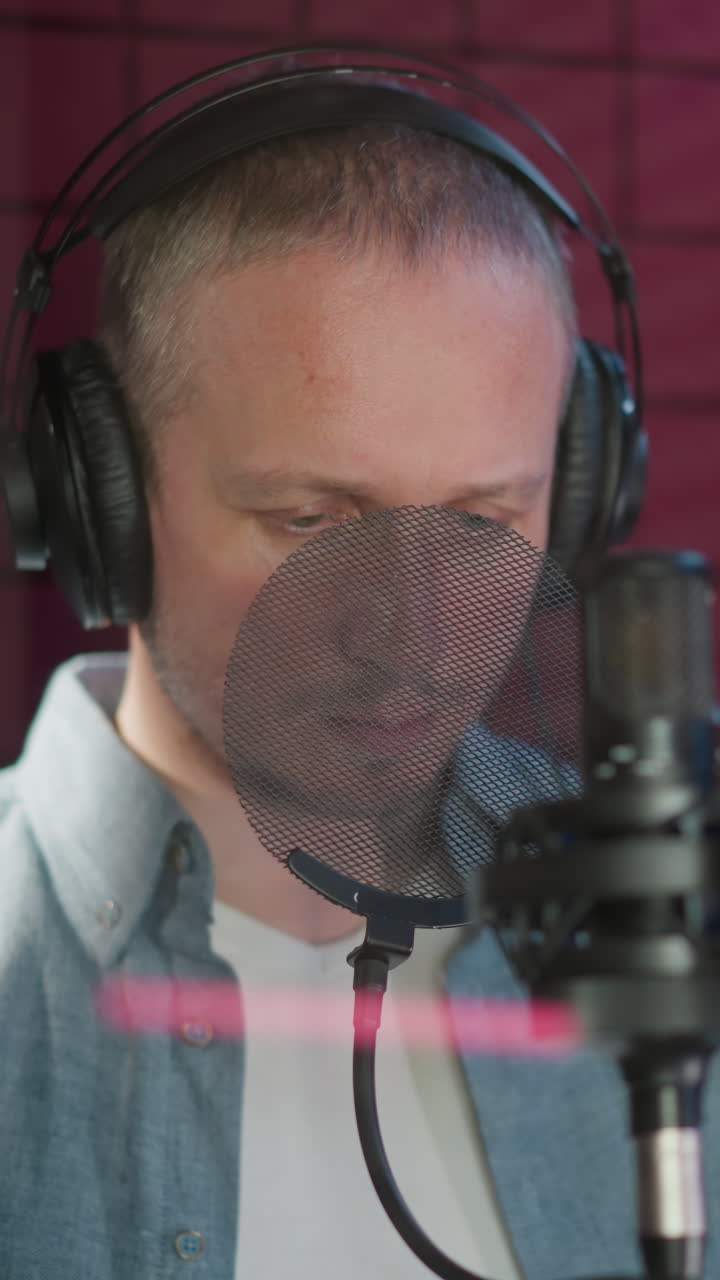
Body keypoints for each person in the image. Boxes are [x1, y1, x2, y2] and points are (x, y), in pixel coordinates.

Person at [0, 50, 680, 1280]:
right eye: (310, 520)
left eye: (484, 519)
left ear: (580, 497)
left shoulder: (660, 924)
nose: (411, 626)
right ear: (92, 501)